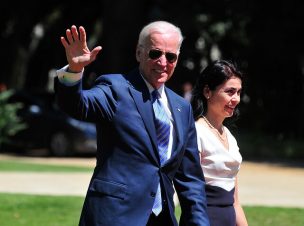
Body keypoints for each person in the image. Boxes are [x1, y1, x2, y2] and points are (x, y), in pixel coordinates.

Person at [55, 21, 210, 226]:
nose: (163, 62)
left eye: (170, 56)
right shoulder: (115, 88)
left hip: (161, 219)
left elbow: (191, 180)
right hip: (115, 217)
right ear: (139, 53)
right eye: (155, 53)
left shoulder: (182, 108)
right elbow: (78, 105)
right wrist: (74, 69)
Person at [191, 60, 248, 226]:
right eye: (230, 92)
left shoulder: (230, 137)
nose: (236, 99)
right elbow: (191, 195)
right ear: (208, 91)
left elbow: (235, 202)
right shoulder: (196, 132)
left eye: (238, 92)